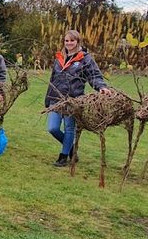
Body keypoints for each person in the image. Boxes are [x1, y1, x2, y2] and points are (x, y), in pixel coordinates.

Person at [44, 30, 109, 168]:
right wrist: (48, 99)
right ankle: (71, 149)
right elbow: (53, 79)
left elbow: (94, 75)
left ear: (78, 42)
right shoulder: (59, 57)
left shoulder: (85, 59)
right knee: (52, 128)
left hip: (73, 100)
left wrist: (101, 86)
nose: (69, 43)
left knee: (69, 129)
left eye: (72, 40)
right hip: (56, 98)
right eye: (66, 40)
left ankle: (63, 156)